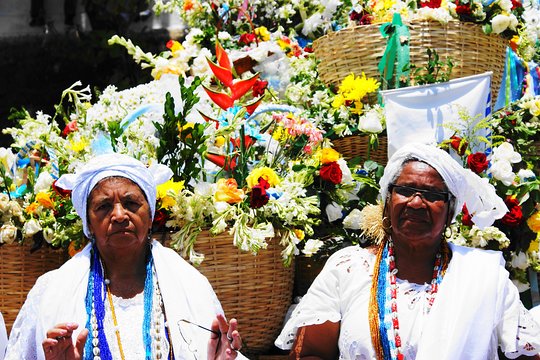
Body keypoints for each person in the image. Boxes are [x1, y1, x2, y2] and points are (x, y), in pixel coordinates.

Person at [275, 143, 540, 359]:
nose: (416, 202)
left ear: (450, 213)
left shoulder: (480, 275)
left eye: (432, 194)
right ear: (388, 201)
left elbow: (529, 354)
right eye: (404, 190)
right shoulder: (348, 268)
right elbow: (312, 354)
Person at [5, 153, 245, 359]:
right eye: (104, 206)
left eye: (131, 203)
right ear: (88, 223)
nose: (119, 215)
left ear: (150, 214)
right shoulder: (51, 290)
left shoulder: (190, 284)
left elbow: (220, 350)